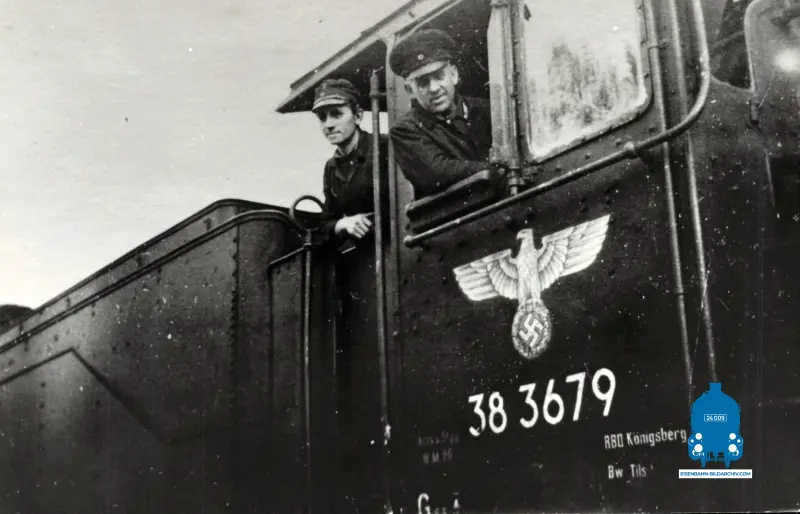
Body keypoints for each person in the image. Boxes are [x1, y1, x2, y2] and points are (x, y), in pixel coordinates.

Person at [388, 28, 494, 199]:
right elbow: (436, 172)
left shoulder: (488, 109)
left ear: (454, 75)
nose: (434, 88)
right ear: (410, 90)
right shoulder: (405, 130)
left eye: (439, 76)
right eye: (423, 82)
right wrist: (494, 168)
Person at [312, 78, 388, 245]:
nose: (328, 124)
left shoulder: (384, 146)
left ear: (358, 116)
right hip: (363, 252)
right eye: (322, 117)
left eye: (336, 114)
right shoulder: (331, 167)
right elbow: (326, 222)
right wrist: (343, 223)